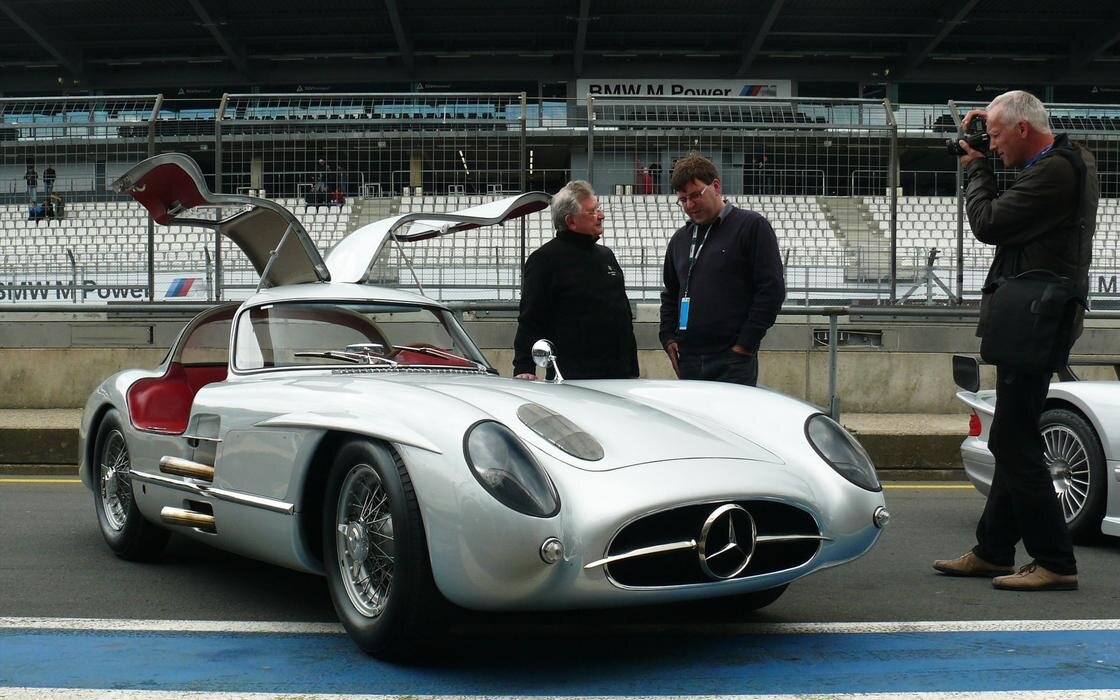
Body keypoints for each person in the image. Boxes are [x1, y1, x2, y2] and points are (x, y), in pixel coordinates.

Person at [933, 90, 1098, 591]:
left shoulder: (1055, 172)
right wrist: (990, 132)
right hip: (1035, 312)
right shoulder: (1064, 162)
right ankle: (993, 549)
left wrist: (976, 166)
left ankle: (1055, 561)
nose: (993, 144)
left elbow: (988, 223)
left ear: (1024, 130)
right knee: (1012, 432)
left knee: (1014, 438)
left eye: (999, 135)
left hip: (1036, 316)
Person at [659, 154, 785, 387]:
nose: (689, 205)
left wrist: (745, 345)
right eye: (683, 199)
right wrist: (667, 337)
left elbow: (771, 290)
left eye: (696, 195)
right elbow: (670, 292)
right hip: (689, 358)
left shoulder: (751, 226)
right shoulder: (680, 239)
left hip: (732, 359)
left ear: (716, 186)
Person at [513, 180, 638, 380]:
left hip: (620, 374)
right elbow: (531, 319)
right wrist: (523, 367)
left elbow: (622, 313)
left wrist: (632, 368)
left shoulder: (606, 255)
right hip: (573, 379)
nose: (601, 215)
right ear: (571, 221)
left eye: (599, 208)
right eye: (592, 211)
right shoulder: (545, 260)